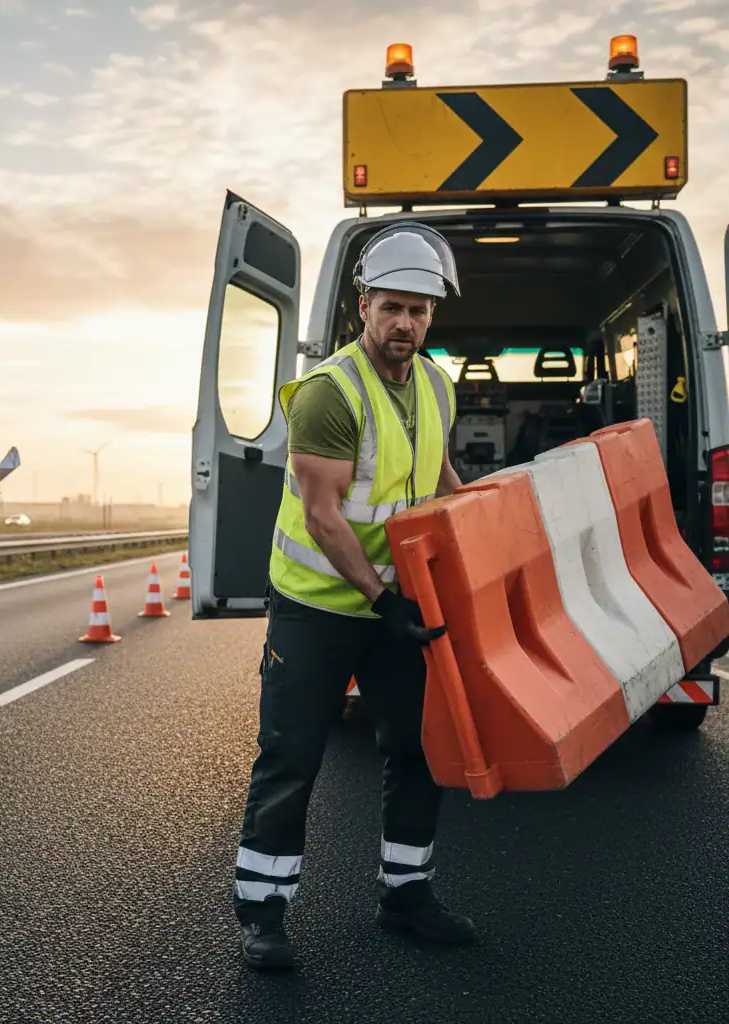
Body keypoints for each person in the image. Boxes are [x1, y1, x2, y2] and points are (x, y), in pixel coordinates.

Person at [234, 224, 473, 969]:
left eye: (420, 311)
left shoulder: (436, 384)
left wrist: (477, 543)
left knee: (416, 748)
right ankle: (263, 915)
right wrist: (383, 599)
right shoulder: (328, 394)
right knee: (292, 756)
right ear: (363, 304)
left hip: (394, 605)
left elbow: (436, 480)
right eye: (393, 307)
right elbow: (323, 516)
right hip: (317, 609)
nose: (406, 324)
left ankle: (406, 896)